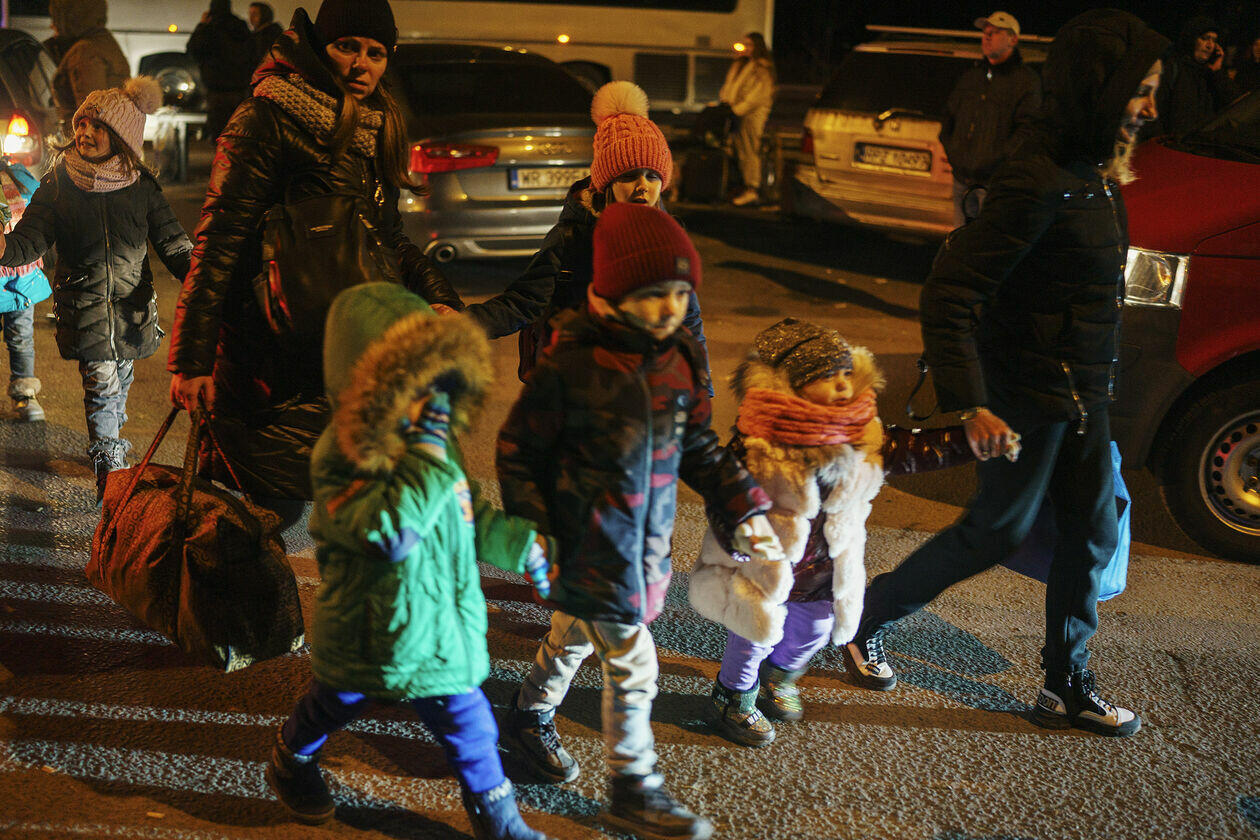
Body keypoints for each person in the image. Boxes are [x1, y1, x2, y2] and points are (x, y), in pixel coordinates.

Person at [840, 9, 1169, 739]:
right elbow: (951, 292)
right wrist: (972, 404)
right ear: (1099, 89)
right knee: (994, 532)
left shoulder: (1094, 173)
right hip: (1026, 395)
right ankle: (863, 621)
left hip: (1081, 397)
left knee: (1091, 533)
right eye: (1139, 89)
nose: (1150, 107)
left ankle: (1064, 685)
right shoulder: (1037, 177)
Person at [496, 202, 783, 840]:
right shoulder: (572, 364)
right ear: (612, 293)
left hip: (642, 542)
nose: (671, 308)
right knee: (635, 666)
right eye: (654, 294)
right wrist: (537, 529)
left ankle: (527, 712)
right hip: (583, 546)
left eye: (681, 293)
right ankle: (634, 787)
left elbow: (697, 446)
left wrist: (743, 507)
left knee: (572, 637)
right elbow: (518, 452)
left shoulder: (675, 359)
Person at [265, 282, 555, 840]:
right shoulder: (341, 454)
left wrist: (523, 546)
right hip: (368, 631)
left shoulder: (434, 443)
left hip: (440, 630)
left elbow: (468, 514)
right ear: (370, 383)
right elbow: (386, 533)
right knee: (332, 704)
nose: (435, 397)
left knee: (472, 728)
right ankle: (291, 758)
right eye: (417, 381)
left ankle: (500, 822)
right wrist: (426, 461)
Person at [167, 0, 463, 531]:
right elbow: (220, 239)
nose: (361, 64)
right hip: (268, 361)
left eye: (375, 53)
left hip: (341, 355)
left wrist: (439, 296)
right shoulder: (267, 118)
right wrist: (192, 359)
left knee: (351, 513)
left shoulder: (376, 125)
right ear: (318, 48)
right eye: (347, 47)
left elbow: (386, 238)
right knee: (267, 513)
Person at [689, 318, 980, 747]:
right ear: (793, 384)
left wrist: (970, 440)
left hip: (824, 570)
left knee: (813, 633)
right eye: (827, 376)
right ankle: (732, 697)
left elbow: (916, 450)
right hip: (765, 568)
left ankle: (780, 675)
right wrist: (742, 539)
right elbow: (726, 497)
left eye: (846, 372)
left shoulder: (862, 436)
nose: (844, 384)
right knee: (752, 636)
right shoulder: (759, 444)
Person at [0, 78, 192, 497]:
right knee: (102, 387)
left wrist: (200, 273)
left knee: (120, 383)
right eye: (81, 123)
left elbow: (173, 242)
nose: (85, 132)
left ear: (121, 136)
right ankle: (110, 468)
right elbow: (30, 240)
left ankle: (112, 445)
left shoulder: (141, 185)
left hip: (131, 310)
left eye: (97, 126)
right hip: (84, 306)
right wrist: (5, 248)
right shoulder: (59, 182)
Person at [464, 80, 709, 386]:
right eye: (629, 176)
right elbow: (524, 301)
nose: (643, 186)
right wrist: (458, 326)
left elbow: (689, 320)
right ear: (606, 182)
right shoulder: (573, 237)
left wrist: (700, 388)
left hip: (646, 386)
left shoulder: (669, 238)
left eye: (653, 176)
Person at [939, 11, 1042, 227]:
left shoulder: (1025, 82)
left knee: (989, 239)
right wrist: (953, 151)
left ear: (1012, 39)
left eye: (995, 32)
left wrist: (998, 161)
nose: (987, 37)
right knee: (961, 239)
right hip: (962, 180)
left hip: (995, 184)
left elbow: (1027, 130)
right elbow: (949, 116)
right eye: (985, 32)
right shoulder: (973, 76)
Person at [0, 160, 53, 423]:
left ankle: (25, 393)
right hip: (17, 277)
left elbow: (43, 212)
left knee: (21, 336)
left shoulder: (18, 176)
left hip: (20, 279)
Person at [1144, 16, 1242, 138]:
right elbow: (1153, 113)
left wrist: (1217, 72)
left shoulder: (1211, 75)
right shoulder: (1172, 69)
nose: (1210, 45)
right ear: (1192, 40)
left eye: (1214, 40)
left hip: (1200, 146)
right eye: (1205, 38)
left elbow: (1237, 107)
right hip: (1175, 145)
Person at [47, 0, 129, 123]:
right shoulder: (105, 42)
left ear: (71, 17)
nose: (52, 25)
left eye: (57, 17)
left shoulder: (85, 52)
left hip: (81, 134)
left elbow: (91, 116)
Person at [187, 0, 256, 139]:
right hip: (238, 88)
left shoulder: (209, 27)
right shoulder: (239, 25)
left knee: (218, 131)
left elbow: (193, 50)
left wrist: (202, 25)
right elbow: (251, 54)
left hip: (216, 88)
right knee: (237, 129)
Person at [720, 32, 775, 207]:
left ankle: (753, 188)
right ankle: (741, 186)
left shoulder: (761, 68)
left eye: (750, 45)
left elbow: (758, 95)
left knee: (750, 150)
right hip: (737, 113)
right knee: (737, 149)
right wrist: (726, 104)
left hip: (751, 116)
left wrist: (737, 109)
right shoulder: (741, 65)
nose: (746, 48)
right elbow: (730, 87)